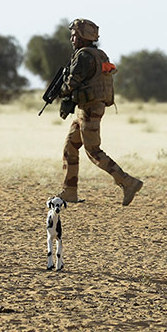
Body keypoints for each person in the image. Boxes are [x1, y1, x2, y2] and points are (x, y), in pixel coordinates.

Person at [58, 19, 143, 205]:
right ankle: (69, 192)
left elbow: (72, 83)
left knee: (93, 151)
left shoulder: (83, 56)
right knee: (70, 147)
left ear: (82, 37)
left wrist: (61, 91)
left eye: (74, 35)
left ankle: (128, 182)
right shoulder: (99, 54)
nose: (72, 38)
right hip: (88, 108)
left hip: (89, 109)